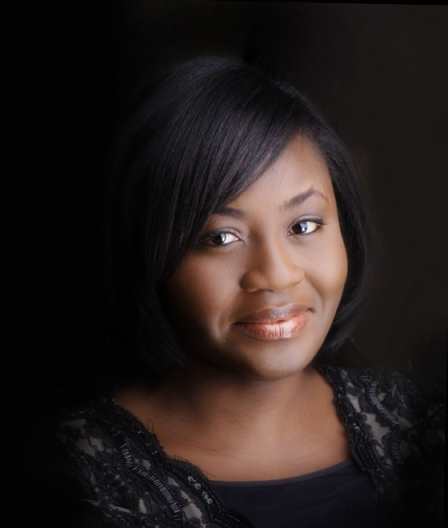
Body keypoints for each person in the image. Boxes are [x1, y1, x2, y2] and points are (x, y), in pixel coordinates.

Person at [51, 56, 444, 527]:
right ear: (150, 251)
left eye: (304, 225)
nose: (276, 275)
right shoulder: (76, 478)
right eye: (221, 238)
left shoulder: (417, 423)